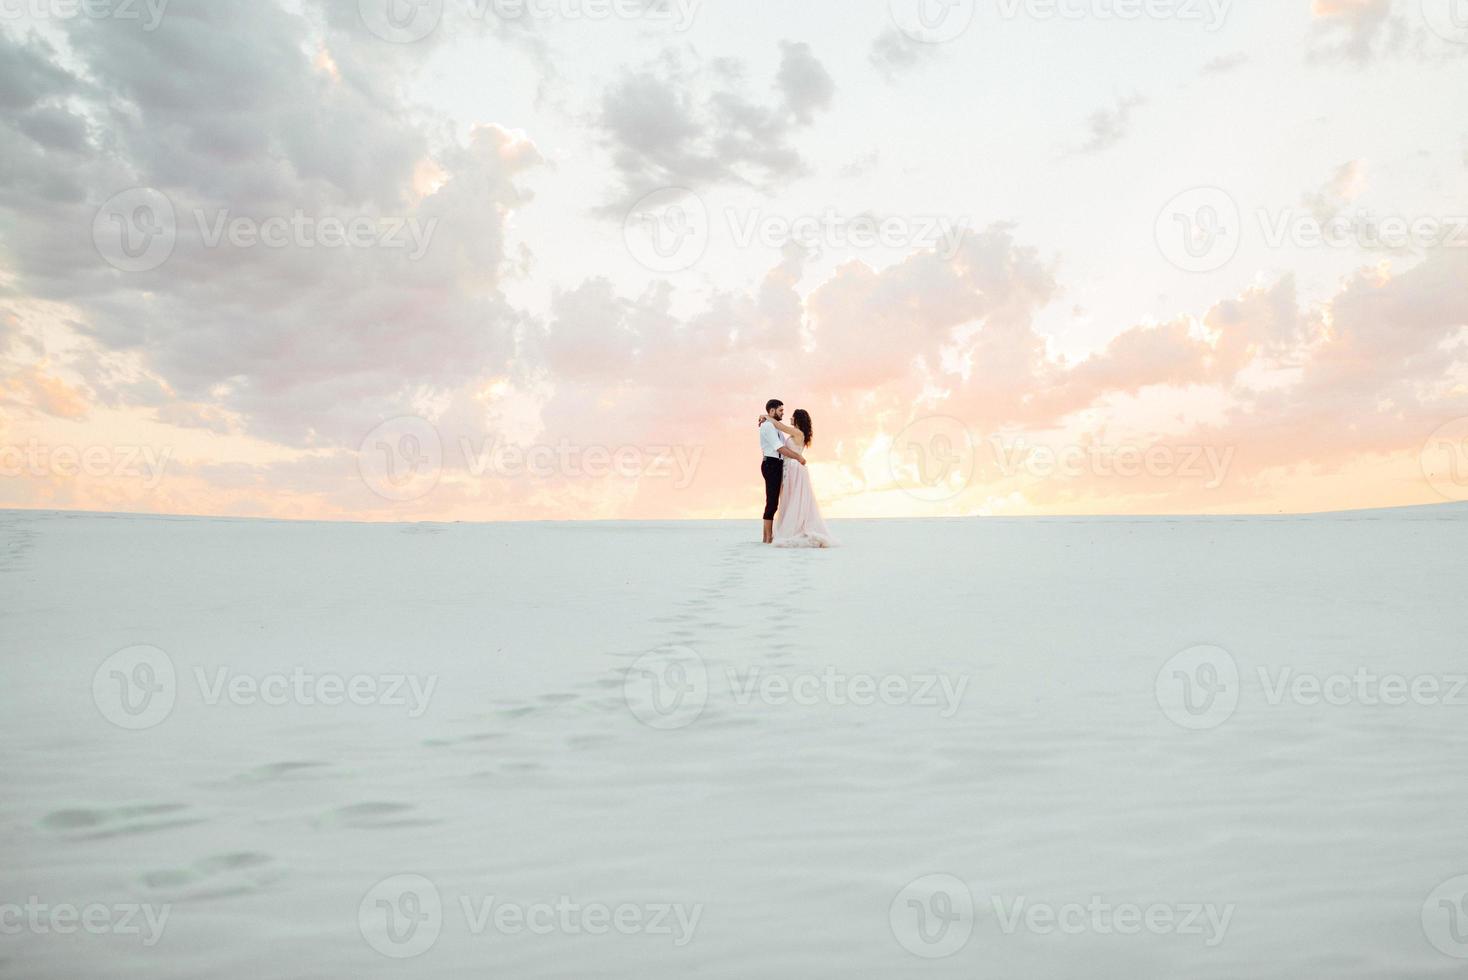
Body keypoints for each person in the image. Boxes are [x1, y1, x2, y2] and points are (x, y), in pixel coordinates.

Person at [760, 407, 837, 549]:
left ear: (798, 419)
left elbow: (780, 426)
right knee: (792, 498)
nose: (790, 418)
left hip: (794, 468)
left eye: (793, 417)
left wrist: (766, 417)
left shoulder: (797, 432)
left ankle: (793, 529)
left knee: (794, 498)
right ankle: (786, 529)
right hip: (792, 467)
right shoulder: (799, 433)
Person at [758, 399, 805, 544]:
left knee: (776, 501)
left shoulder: (775, 426)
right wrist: (798, 457)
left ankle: (770, 536)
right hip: (771, 464)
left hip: (779, 465)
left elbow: (783, 434)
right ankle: (767, 538)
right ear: (772, 411)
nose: (783, 413)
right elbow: (779, 448)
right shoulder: (767, 426)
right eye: (780, 410)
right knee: (772, 501)